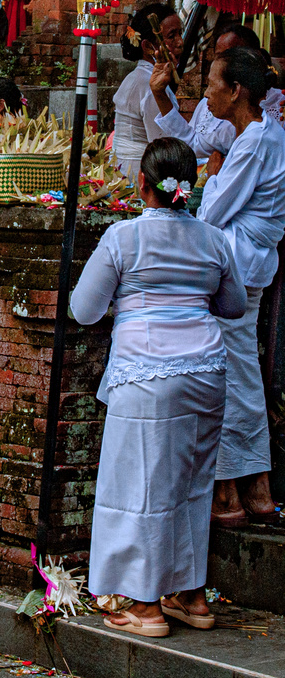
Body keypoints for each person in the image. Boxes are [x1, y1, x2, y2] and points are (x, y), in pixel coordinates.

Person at [71, 138, 246, 636]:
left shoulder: (124, 238)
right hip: (207, 373)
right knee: (192, 484)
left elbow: (84, 310)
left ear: (142, 183)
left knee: (140, 487)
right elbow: (232, 306)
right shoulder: (214, 239)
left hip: (146, 373)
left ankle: (145, 604)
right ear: (188, 187)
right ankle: (190, 595)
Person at [198, 47, 285, 524]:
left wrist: (211, 177)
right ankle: (255, 490)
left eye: (213, 83)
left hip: (237, 264)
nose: (207, 92)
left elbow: (212, 212)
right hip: (248, 264)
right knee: (240, 371)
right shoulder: (267, 135)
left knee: (229, 373)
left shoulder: (254, 141)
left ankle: (233, 492)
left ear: (237, 92)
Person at [150, 23, 285, 158]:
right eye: (218, 57)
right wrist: (159, 93)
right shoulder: (209, 102)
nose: (206, 94)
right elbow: (191, 145)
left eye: (229, 57)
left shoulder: (272, 116)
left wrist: (216, 173)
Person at [112, 4, 184, 178]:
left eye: (180, 34)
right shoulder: (149, 84)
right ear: (147, 46)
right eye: (171, 36)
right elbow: (163, 146)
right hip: (139, 177)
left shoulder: (137, 77)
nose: (180, 42)